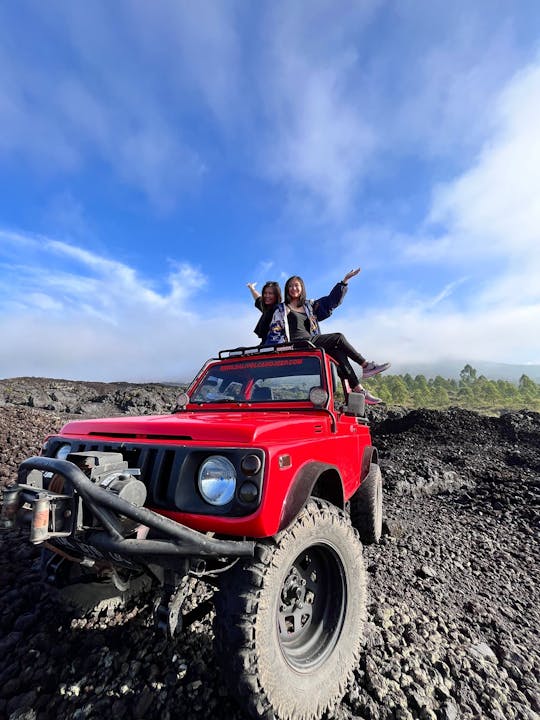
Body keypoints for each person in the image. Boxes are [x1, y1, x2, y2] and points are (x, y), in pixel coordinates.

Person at [264, 269, 390, 404]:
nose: (293, 288)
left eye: (296, 285)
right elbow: (275, 331)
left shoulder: (309, 306)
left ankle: (359, 389)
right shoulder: (282, 309)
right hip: (295, 344)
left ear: (302, 288)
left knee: (338, 352)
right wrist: (276, 348)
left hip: (310, 342)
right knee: (338, 337)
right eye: (290, 286)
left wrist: (344, 282)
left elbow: (330, 301)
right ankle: (365, 365)